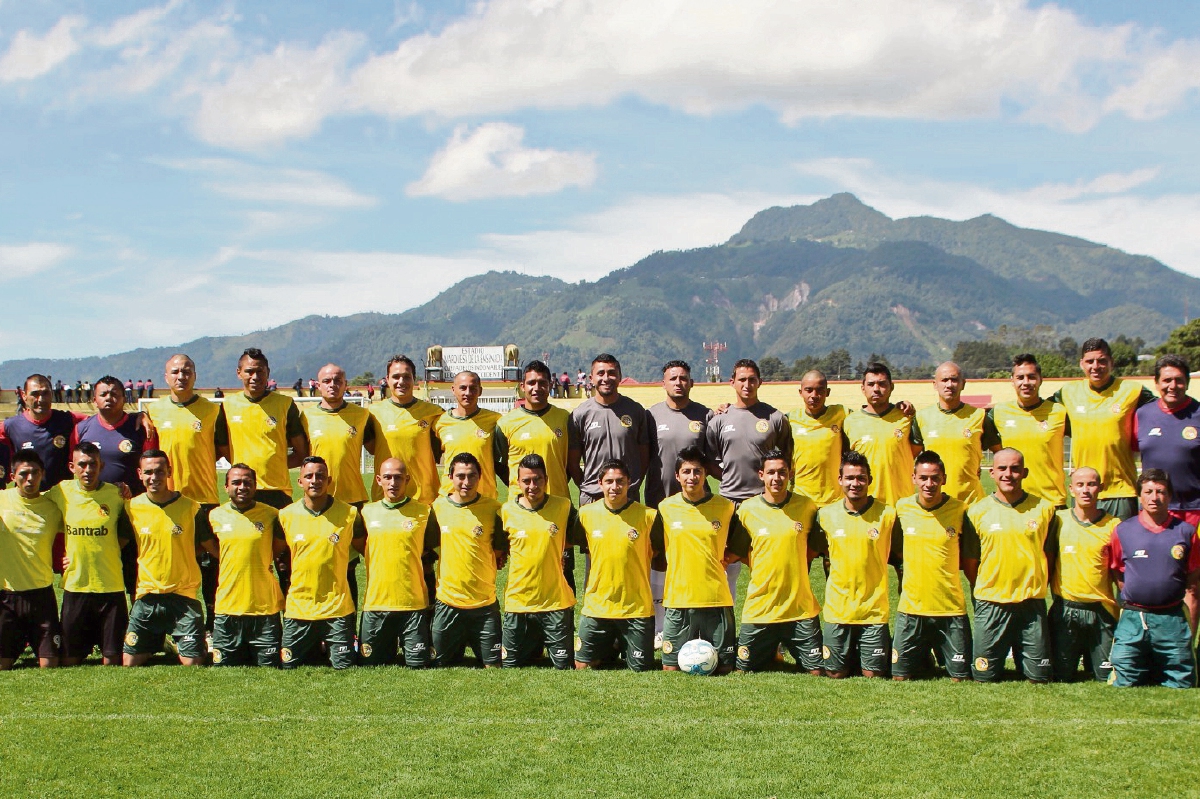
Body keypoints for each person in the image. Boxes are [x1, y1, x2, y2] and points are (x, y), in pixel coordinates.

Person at [145, 354, 228, 637]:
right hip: (168, 502)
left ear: (195, 375)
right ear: (166, 377)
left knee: (212, 566)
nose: (182, 376)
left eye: (187, 371)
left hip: (204, 501)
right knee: (174, 563)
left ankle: (214, 624)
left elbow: (221, 450)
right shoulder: (154, 412)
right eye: (176, 372)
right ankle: (173, 624)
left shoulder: (213, 411)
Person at [964, 448, 1057, 683]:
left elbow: (1050, 555)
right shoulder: (977, 511)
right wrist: (989, 585)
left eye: (1015, 469)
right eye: (1002, 469)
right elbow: (971, 562)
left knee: (1040, 677)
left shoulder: (1044, 509)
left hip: (1031, 605)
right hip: (992, 603)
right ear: (992, 473)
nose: (1009, 474)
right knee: (984, 677)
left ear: (1024, 472)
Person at [726, 450, 823, 674]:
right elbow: (737, 552)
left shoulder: (807, 507)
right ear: (761, 475)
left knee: (817, 670)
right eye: (771, 472)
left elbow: (814, 549)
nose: (776, 478)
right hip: (761, 608)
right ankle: (771, 648)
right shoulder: (747, 510)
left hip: (800, 609)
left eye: (782, 472)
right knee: (743, 669)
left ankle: (774, 648)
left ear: (790, 474)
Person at [705, 358, 791, 602]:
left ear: (760, 382)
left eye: (752, 379)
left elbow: (786, 460)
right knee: (727, 564)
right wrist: (729, 475)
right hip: (730, 502)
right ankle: (727, 621)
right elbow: (710, 460)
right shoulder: (720, 419)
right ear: (732, 382)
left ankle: (770, 623)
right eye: (741, 379)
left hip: (764, 503)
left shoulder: (775, 418)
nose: (747, 384)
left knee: (766, 565)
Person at [1108, 469, 1200, 688]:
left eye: (1160, 491)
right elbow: (1118, 573)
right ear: (1140, 496)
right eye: (1148, 491)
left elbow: (1193, 582)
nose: (1154, 497)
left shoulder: (1186, 532)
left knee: (1183, 681)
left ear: (1169, 496)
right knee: (1124, 677)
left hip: (1172, 617)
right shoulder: (1123, 530)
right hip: (1133, 618)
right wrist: (1136, 594)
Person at [652, 446, 740, 674]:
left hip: (716, 599)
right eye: (687, 471)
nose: (692, 477)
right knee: (670, 668)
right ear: (677, 476)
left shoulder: (725, 507)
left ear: (705, 474)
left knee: (725, 667)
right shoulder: (665, 508)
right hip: (678, 599)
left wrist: (726, 558)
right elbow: (654, 548)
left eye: (697, 471)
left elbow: (740, 543)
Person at [47, 443, 134, 666]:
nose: (88, 470)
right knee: (69, 659)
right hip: (77, 585)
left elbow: (125, 534)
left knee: (112, 659)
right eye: (82, 464)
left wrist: (105, 550)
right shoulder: (61, 492)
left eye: (93, 464)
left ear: (101, 466)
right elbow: (34, 512)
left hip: (110, 585)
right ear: (71, 467)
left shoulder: (116, 494)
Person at [122, 451, 213, 667]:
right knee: (129, 662)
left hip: (183, 596)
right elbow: (115, 545)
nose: (154, 477)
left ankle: (189, 640)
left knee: (193, 664)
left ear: (169, 472)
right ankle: (159, 640)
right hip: (147, 595)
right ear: (140, 474)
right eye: (149, 472)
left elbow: (211, 547)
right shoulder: (131, 508)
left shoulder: (192, 508)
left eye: (160, 472)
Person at [645, 360, 713, 643]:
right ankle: (660, 627)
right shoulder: (649, 416)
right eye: (672, 378)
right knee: (659, 557)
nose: (678, 382)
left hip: (697, 502)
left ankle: (699, 620)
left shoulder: (706, 415)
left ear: (691, 383)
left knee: (696, 557)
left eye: (683, 378)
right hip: (659, 499)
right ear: (663, 383)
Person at [494, 361, 578, 590]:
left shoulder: (564, 419)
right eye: (531, 383)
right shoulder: (506, 423)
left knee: (562, 576)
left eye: (542, 383)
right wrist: (516, 484)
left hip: (557, 507)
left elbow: (570, 463)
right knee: (525, 573)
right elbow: (495, 462)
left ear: (550, 385)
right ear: (522, 386)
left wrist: (557, 481)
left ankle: (563, 626)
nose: (536, 388)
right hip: (521, 511)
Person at [890, 450, 973, 681]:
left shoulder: (959, 510)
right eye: (924, 478)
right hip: (912, 610)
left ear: (944, 479)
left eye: (935, 478)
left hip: (951, 610)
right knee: (900, 676)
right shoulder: (902, 508)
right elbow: (896, 549)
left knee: (960, 677)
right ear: (914, 478)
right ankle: (923, 655)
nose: (929, 483)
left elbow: (968, 555)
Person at [1052, 338, 1155, 520]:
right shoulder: (1068, 393)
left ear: (1111, 363)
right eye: (1090, 361)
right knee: (1085, 548)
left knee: (1121, 547)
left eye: (1101, 361)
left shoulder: (1132, 391)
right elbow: (1041, 413)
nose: (1095, 366)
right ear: (1081, 364)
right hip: (1084, 490)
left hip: (1121, 491)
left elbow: (1163, 411)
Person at [277, 457, 363, 669]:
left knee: (343, 665)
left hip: (336, 609)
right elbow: (272, 553)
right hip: (299, 608)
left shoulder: (350, 514)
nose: (315, 480)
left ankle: (328, 642)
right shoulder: (285, 516)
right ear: (300, 482)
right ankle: (315, 644)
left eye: (320, 476)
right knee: (288, 664)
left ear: (329, 480)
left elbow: (367, 550)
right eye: (309, 476)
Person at [573, 459, 660, 671]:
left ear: (629, 482)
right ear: (599, 483)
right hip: (598, 606)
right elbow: (578, 544)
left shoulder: (648, 516)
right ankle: (610, 646)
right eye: (609, 481)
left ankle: (615, 644)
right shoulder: (585, 515)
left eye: (620, 481)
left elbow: (657, 550)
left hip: (636, 609)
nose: (615, 487)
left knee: (640, 668)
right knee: (582, 665)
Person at [815, 451, 896, 678]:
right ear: (840, 480)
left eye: (861, 478)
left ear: (870, 480)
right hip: (838, 610)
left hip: (873, 611)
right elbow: (816, 552)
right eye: (849, 478)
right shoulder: (826, 515)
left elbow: (899, 557)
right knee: (835, 674)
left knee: (873, 674)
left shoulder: (887, 515)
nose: (855, 483)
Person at [498, 454, 582, 669]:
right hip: (518, 602)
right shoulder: (506, 511)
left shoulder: (563, 507)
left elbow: (572, 541)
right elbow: (498, 549)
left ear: (546, 479)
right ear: (517, 481)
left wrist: (559, 557)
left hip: (555, 603)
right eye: (526, 481)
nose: (532, 486)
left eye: (538, 480)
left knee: (563, 665)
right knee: (510, 665)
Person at [302, 363, 374, 605]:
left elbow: (378, 448)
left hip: (351, 499)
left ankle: (348, 627)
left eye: (337, 380)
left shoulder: (362, 415)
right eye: (327, 381)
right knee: (317, 560)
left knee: (349, 565)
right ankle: (319, 620)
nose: (332, 385)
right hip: (317, 502)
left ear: (346, 385)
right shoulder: (306, 416)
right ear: (318, 384)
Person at [356, 458, 437, 668]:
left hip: (412, 605)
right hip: (376, 604)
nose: (393, 482)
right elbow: (359, 546)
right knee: (370, 663)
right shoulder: (366, 513)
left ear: (407, 479)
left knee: (418, 664)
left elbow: (432, 549)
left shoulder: (425, 512)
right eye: (388, 477)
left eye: (399, 477)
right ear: (378, 480)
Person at [430, 453, 505, 668]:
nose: (466, 482)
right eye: (460, 476)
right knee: (440, 664)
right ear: (450, 477)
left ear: (480, 477)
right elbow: (432, 547)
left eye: (472, 476)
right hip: (448, 603)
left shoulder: (493, 509)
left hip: (484, 605)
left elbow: (500, 549)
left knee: (494, 666)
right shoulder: (437, 508)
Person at [208, 464, 286, 667]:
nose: (242, 487)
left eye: (247, 482)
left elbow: (277, 549)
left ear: (255, 486)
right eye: (236, 482)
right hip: (228, 609)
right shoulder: (214, 516)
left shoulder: (272, 515)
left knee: (269, 667)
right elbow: (212, 548)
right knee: (224, 668)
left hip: (264, 610)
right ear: (225, 487)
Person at [1050, 467, 1119, 683]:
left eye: (1091, 484)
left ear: (1101, 488)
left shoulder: (1114, 526)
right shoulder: (1058, 520)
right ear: (1071, 490)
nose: (1085, 490)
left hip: (1101, 611)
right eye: (1080, 485)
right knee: (1060, 676)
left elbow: (1120, 572)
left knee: (1105, 676)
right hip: (1067, 609)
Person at [0, 451, 64, 669]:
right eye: (23, 474)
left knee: (49, 664)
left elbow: (82, 529)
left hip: (41, 595)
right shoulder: (2, 500)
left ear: (42, 474)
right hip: (7, 596)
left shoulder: (53, 506)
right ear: (12, 476)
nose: (30, 479)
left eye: (35, 473)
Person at [224, 348, 308, 510]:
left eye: (260, 371)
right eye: (249, 371)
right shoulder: (227, 406)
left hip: (277, 490)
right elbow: (223, 448)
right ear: (239, 373)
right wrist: (243, 468)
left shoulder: (285, 404)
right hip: (243, 490)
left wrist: (276, 465)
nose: (255, 377)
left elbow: (301, 452)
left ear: (268, 372)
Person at [911, 362, 1001, 504]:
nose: (949, 384)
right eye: (944, 380)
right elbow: (908, 457)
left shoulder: (979, 416)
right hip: (936, 504)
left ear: (963, 384)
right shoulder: (922, 417)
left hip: (971, 503)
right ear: (935, 384)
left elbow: (1002, 454)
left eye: (954, 380)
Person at [987, 354, 1069, 508]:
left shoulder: (1059, 412)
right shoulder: (999, 412)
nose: (1026, 382)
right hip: (1013, 503)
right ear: (1012, 381)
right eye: (1020, 377)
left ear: (1040, 380)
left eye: (1031, 377)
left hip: (1051, 503)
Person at [569, 354, 650, 505]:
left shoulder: (635, 411)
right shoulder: (580, 414)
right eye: (600, 373)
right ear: (591, 378)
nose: (606, 378)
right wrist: (587, 486)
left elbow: (644, 454)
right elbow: (572, 462)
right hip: (592, 497)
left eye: (611, 373)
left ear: (620, 377)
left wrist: (632, 484)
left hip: (627, 495)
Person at [1135, 354, 1200, 527]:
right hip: (1153, 509)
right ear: (1156, 383)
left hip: (1194, 509)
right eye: (1167, 380)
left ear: (1187, 383)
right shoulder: (1142, 415)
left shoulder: (1198, 414)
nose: (1173, 386)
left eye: (1179, 380)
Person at [369, 355, 443, 505]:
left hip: (424, 499)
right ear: (387, 379)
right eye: (396, 377)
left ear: (414, 379)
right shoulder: (372, 413)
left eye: (406, 377)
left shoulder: (434, 412)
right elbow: (371, 448)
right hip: (385, 500)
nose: (401, 382)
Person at [843, 362, 919, 507]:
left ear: (891, 387)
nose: (876, 389)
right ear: (863, 388)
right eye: (871, 384)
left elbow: (916, 451)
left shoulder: (906, 417)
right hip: (865, 506)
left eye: (882, 384)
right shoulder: (850, 422)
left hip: (902, 504)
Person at [4, 374, 89, 490]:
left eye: (45, 393)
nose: (41, 399)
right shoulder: (10, 426)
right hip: (28, 500)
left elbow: (97, 424)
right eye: (35, 394)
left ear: (52, 394)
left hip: (61, 499)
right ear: (24, 396)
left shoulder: (68, 420)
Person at [434, 371, 501, 499]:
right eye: (463, 388)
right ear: (453, 390)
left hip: (485, 498)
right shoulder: (439, 422)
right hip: (451, 498)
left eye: (473, 388)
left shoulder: (495, 420)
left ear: (480, 391)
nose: (468, 393)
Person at [787, 370, 848, 508]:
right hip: (801, 500)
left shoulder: (841, 413)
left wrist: (899, 407)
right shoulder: (790, 419)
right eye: (809, 390)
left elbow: (868, 414)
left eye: (820, 390)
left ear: (827, 392)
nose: (814, 395)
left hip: (834, 501)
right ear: (800, 392)